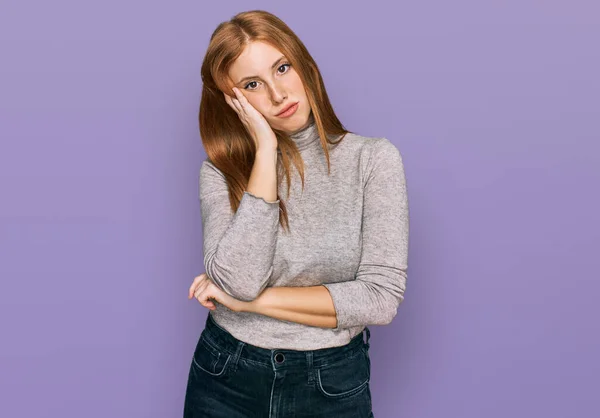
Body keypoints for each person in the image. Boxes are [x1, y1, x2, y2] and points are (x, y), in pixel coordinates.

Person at [183, 9, 409, 418]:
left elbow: (380, 300)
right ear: (235, 101)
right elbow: (238, 280)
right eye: (253, 84)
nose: (278, 94)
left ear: (304, 65)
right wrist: (265, 153)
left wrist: (250, 305)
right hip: (227, 375)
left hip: (332, 381)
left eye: (282, 68)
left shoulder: (372, 160)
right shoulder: (219, 172)